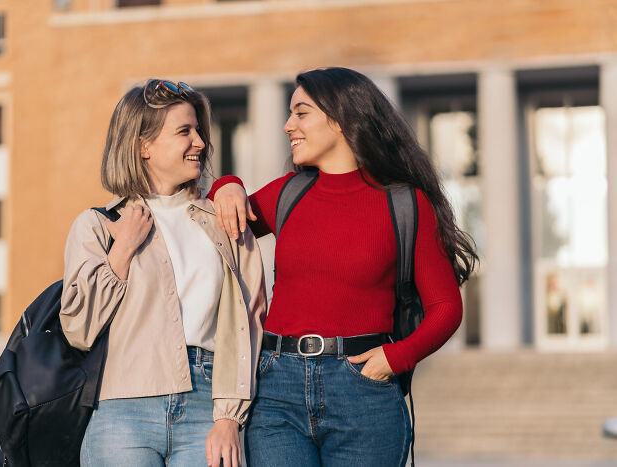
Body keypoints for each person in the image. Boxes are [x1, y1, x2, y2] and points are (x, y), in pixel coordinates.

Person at [208, 67, 478, 467]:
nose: (287, 126)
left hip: (364, 393)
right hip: (276, 390)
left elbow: (446, 307)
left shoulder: (405, 204)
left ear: (341, 120)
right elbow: (225, 213)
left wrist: (396, 357)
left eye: (301, 113)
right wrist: (227, 183)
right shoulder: (288, 193)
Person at [59, 79, 267, 467]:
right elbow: (78, 328)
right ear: (143, 146)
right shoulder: (97, 226)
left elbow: (250, 324)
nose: (201, 143)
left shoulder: (225, 223)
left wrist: (229, 418)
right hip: (122, 410)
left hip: (208, 411)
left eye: (199, 131)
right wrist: (122, 250)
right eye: (184, 131)